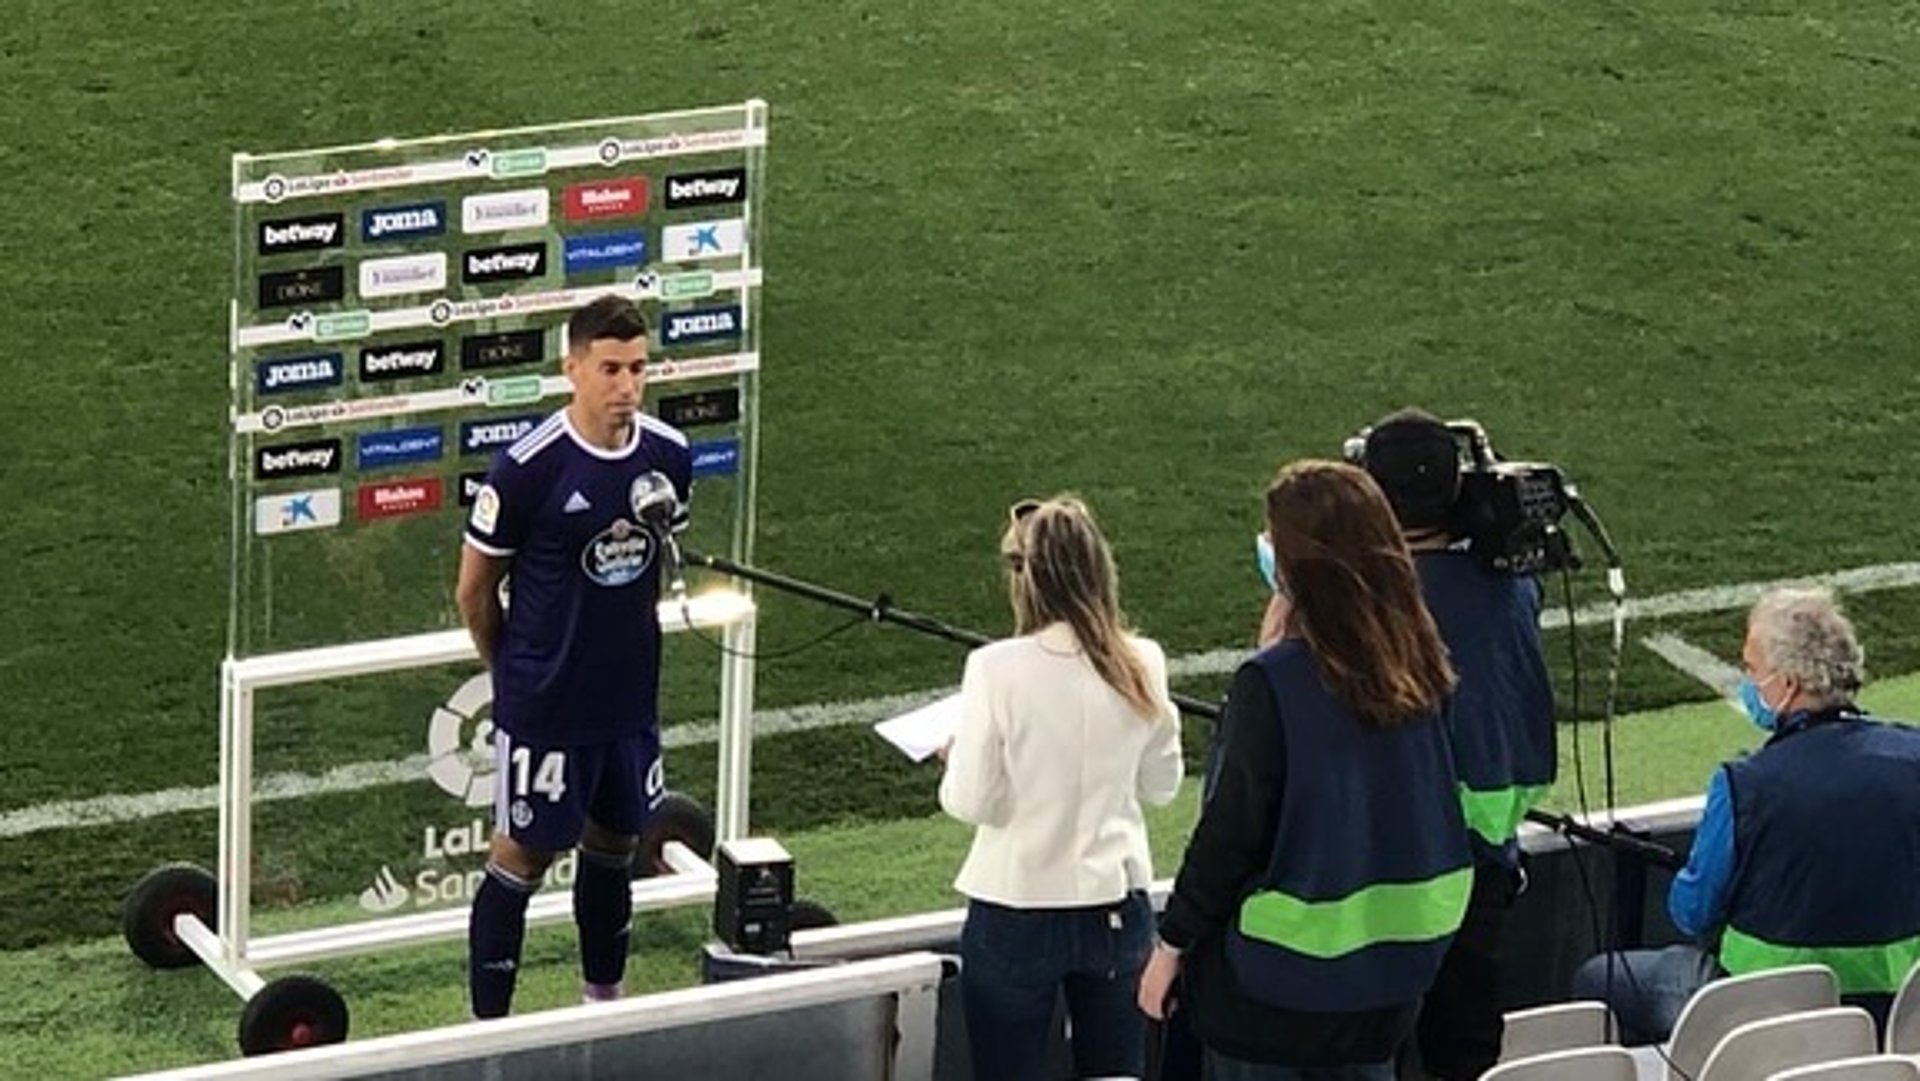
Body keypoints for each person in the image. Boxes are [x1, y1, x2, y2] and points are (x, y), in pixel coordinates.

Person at [1139, 460, 1471, 1081]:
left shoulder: (1274, 685)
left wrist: (1170, 945)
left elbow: (1230, 835)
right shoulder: (1425, 671)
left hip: (1272, 1000)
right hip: (1387, 993)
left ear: (1297, 568)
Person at [454, 294, 693, 1018]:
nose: (626, 385)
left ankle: (604, 1003)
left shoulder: (668, 456)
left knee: (617, 843)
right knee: (521, 855)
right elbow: (473, 591)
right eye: (611, 368)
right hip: (548, 707)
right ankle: (486, 1031)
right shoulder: (528, 469)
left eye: (638, 369)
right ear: (573, 369)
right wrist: (516, 676)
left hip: (626, 704)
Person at [1572, 586, 1920, 1041]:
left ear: (1789, 683)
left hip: (1765, 1012)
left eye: (1752, 669)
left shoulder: (1744, 785)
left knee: (1599, 977)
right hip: (1900, 1009)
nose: (1746, 682)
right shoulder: (1913, 755)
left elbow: (1692, 914)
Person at [939, 496, 1184, 1081]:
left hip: (1014, 911)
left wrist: (956, 760)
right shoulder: (1142, 661)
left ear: (1025, 578)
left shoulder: (996, 668)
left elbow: (971, 801)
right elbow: (1162, 785)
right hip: (1115, 910)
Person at [1361, 408, 1554, 1080]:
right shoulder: (1512, 587)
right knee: (1465, 1046)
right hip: (1485, 861)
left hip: (1391, 862)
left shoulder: (1369, 598)